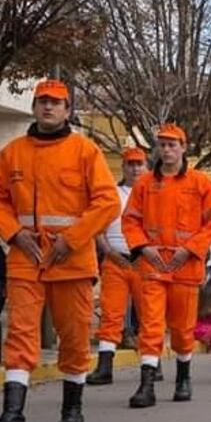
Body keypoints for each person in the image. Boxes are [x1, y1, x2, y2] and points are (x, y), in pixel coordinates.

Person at [0, 79, 120, 422]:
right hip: (26, 256)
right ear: (33, 107)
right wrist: (14, 233)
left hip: (71, 259)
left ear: (67, 110)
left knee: (74, 335)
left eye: (56, 103)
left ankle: (72, 408)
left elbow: (107, 202)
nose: (48, 107)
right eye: (42, 101)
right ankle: (13, 415)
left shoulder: (85, 151)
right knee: (21, 334)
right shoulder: (13, 152)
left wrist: (72, 239)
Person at [122, 123, 211, 408]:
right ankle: (147, 384)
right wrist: (143, 247)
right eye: (162, 145)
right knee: (152, 325)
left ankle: (183, 377)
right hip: (153, 265)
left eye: (172, 145)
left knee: (181, 328)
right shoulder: (143, 184)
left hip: (185, 267)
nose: (166, 150)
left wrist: (190, 250)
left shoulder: (200, 183)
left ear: (183, 147)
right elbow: (130, 219)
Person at [86, 147, 148, 385]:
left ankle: (152, 364)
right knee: (111, 314)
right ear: (123, 167)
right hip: (115, 261)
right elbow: (98, 228)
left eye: (139, 164)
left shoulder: (155, 194)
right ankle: (104, 367)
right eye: (130, 164)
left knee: (149, 315)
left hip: (144, 262)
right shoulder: (112, 195)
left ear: (147, 167)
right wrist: (109, 252)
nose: (135, 169)